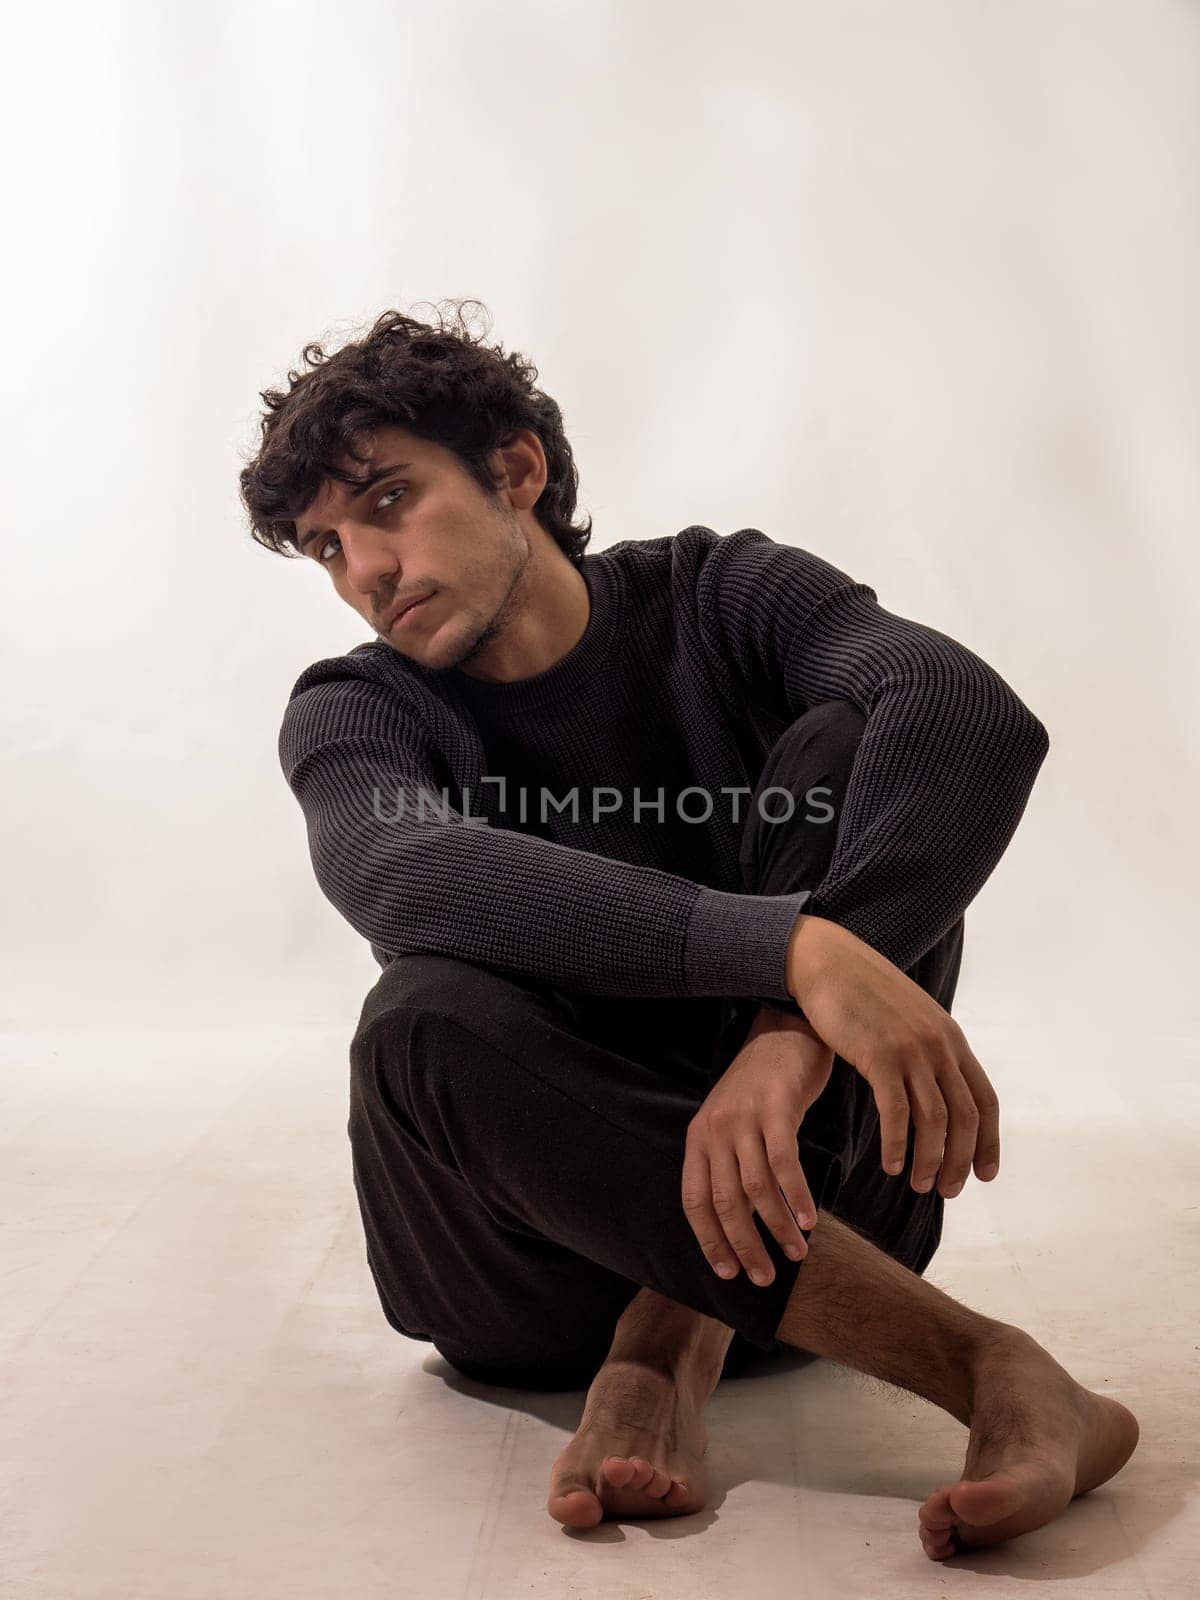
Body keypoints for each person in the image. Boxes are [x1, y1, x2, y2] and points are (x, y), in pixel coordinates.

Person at [239, 302, 1138, 1559]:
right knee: (421, 1014)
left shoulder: (717, 594)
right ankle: (986, 1364)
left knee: (855, 746)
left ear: (516, 468)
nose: (365, 571)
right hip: (524, 1270)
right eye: (326, 546)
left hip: (821, 1190)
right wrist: (796, 953)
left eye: (387, 501)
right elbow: (399, 871)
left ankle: (671, 1340)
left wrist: (786, 1034)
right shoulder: (357, 708)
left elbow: (962, 706)